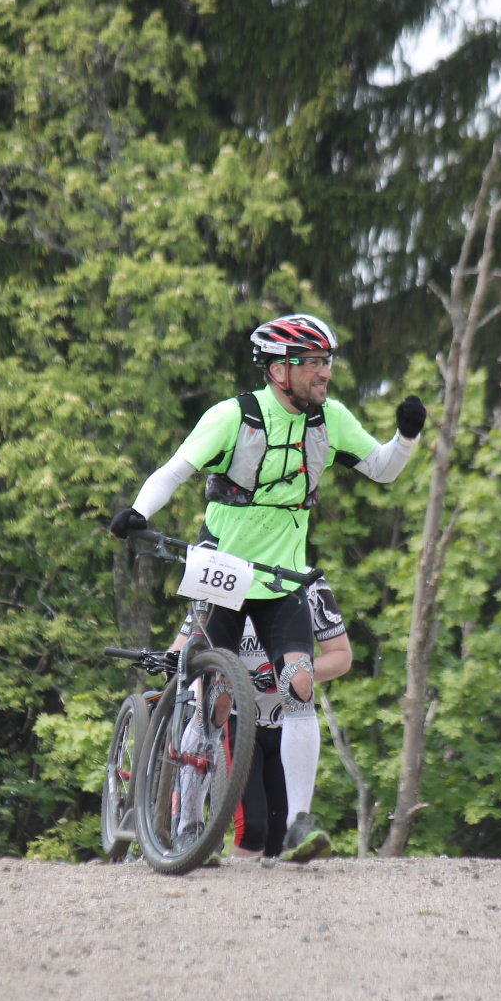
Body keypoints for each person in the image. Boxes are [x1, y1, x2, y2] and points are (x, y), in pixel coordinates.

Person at [111, 313, 425, 863]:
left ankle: (300, 824)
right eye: (314, 363)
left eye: (328, 361)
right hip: (224, 572)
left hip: (283, 579)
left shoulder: (330, 419)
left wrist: (405, 438)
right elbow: (177, 469)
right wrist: (139, 511)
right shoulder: (233, 416)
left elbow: (382, 469)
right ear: (280, 369)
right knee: (210, 698)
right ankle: (188, 823)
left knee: (299, 683)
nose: (325, 372)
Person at [172, 572, 351, 862]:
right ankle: (189, 829)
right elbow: (179, 649)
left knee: (277, 841)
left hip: (285, 726)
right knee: (253, 831)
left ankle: (266, 891)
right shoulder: (224, 576)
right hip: (235, 719)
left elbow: (341, 655)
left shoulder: (309, 584)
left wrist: (293, 674)